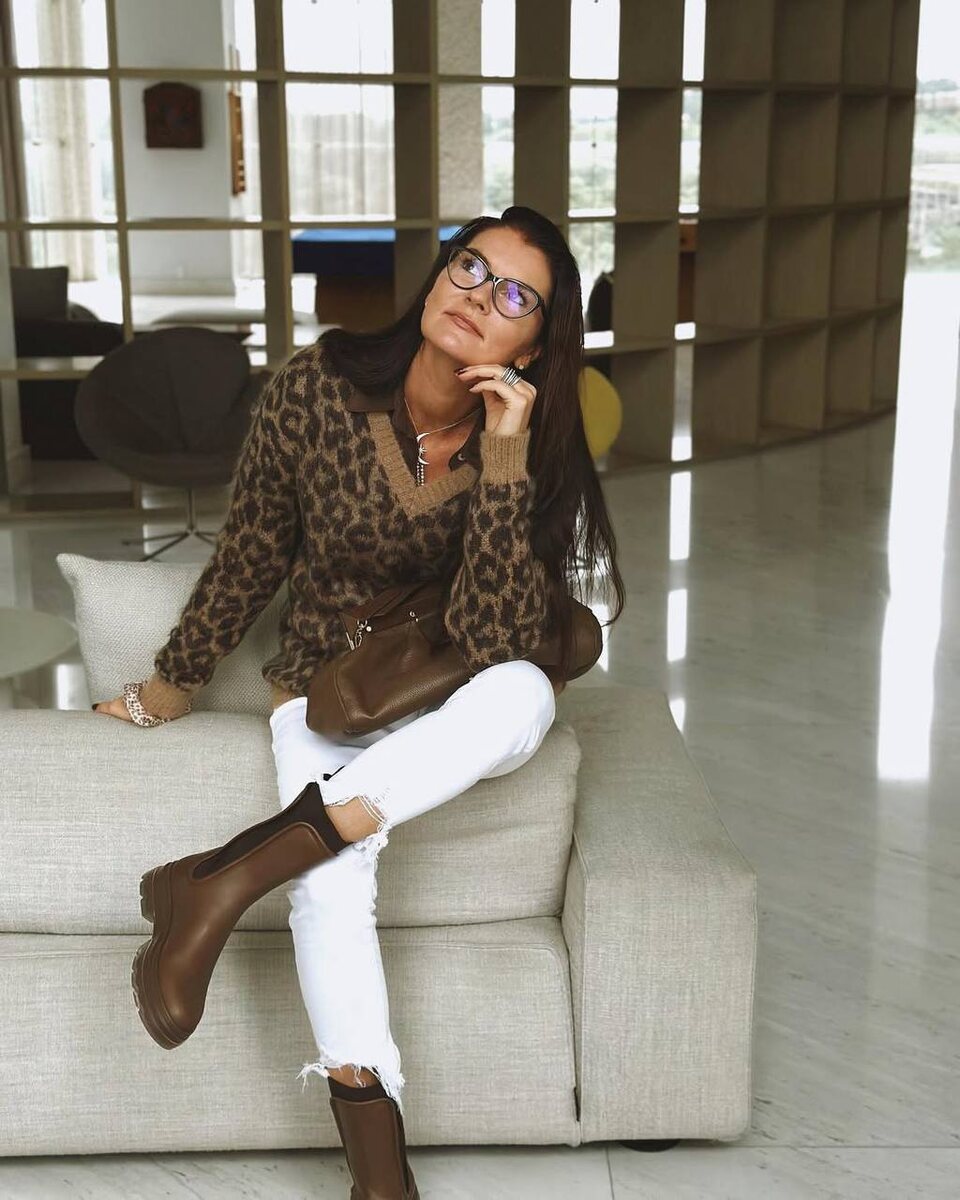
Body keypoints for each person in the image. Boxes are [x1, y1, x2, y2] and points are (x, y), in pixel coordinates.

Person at [94, 205, 625, 1199]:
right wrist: (165, 690)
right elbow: (249, 554)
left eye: (515, 295)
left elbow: (496, 634)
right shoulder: (318, 386)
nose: (480, 296)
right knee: (333, 884)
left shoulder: (529, 444)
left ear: (533, 347)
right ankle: (382, 1177)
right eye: (471, 266)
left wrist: (504, 455)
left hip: (464, 698)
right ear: (438, 274)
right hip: (326, 692)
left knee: (524, 691)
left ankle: (218, 880)